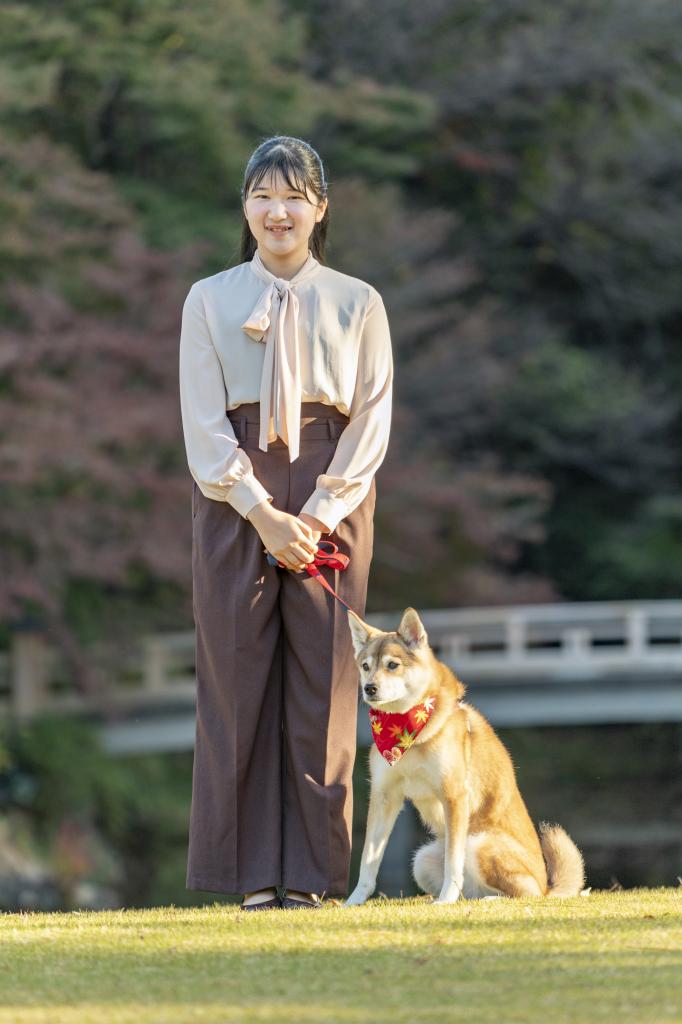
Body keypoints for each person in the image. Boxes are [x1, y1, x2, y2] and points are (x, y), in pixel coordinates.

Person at [179, 135, 393, 911]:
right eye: (264, 196)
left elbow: (372, 420)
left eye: (294, 196)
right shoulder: (209, 298)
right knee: (237, 681)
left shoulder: (359, 302)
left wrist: (320, 514)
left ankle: (311, 879)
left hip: (333, 487)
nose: (279, 211)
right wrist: (264, 514)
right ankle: (249, 879)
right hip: (236, 495)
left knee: (326, 685)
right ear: (245, 207)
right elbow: (202, 426)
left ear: (320, 208)